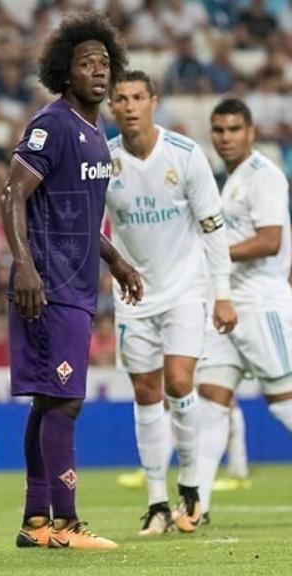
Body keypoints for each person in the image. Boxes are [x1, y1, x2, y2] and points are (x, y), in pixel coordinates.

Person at [0, 12, 141, 550]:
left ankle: (37, 522)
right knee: (64, 403)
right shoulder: (53, 123)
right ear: (66, 72)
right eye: (86, 64)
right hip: (50, 285)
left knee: (49, 402)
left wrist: (117, 261)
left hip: (78, 283)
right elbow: (14, 195)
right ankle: (66, 523)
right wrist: (27, 266)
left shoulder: (95, 134)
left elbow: (81, 215)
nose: (98, 72)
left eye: (104, 63)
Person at [105, 70, 237, 535]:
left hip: (185, 290)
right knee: (144, 393)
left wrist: (221, 293)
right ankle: (157, 502)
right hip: (132, 297)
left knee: (180, 382)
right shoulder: (103, 161)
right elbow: (91, 229)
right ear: (110, 106)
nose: (129, 105)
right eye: (120, 98)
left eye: (138, 97)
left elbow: (213, 227)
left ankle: (192, 488)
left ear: (153, 101)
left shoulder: (185, 155)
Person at [196, 98, 292, 524]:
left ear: (251, 132)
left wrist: (214, 253)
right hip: (227, 300)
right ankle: (195, 504)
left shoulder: (263, 176)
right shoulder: (227, 181)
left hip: (261, 301)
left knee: (284, 400)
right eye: (219, 130)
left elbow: (270, 240)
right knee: (211, 400)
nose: (226, 137)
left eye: (234, 129)